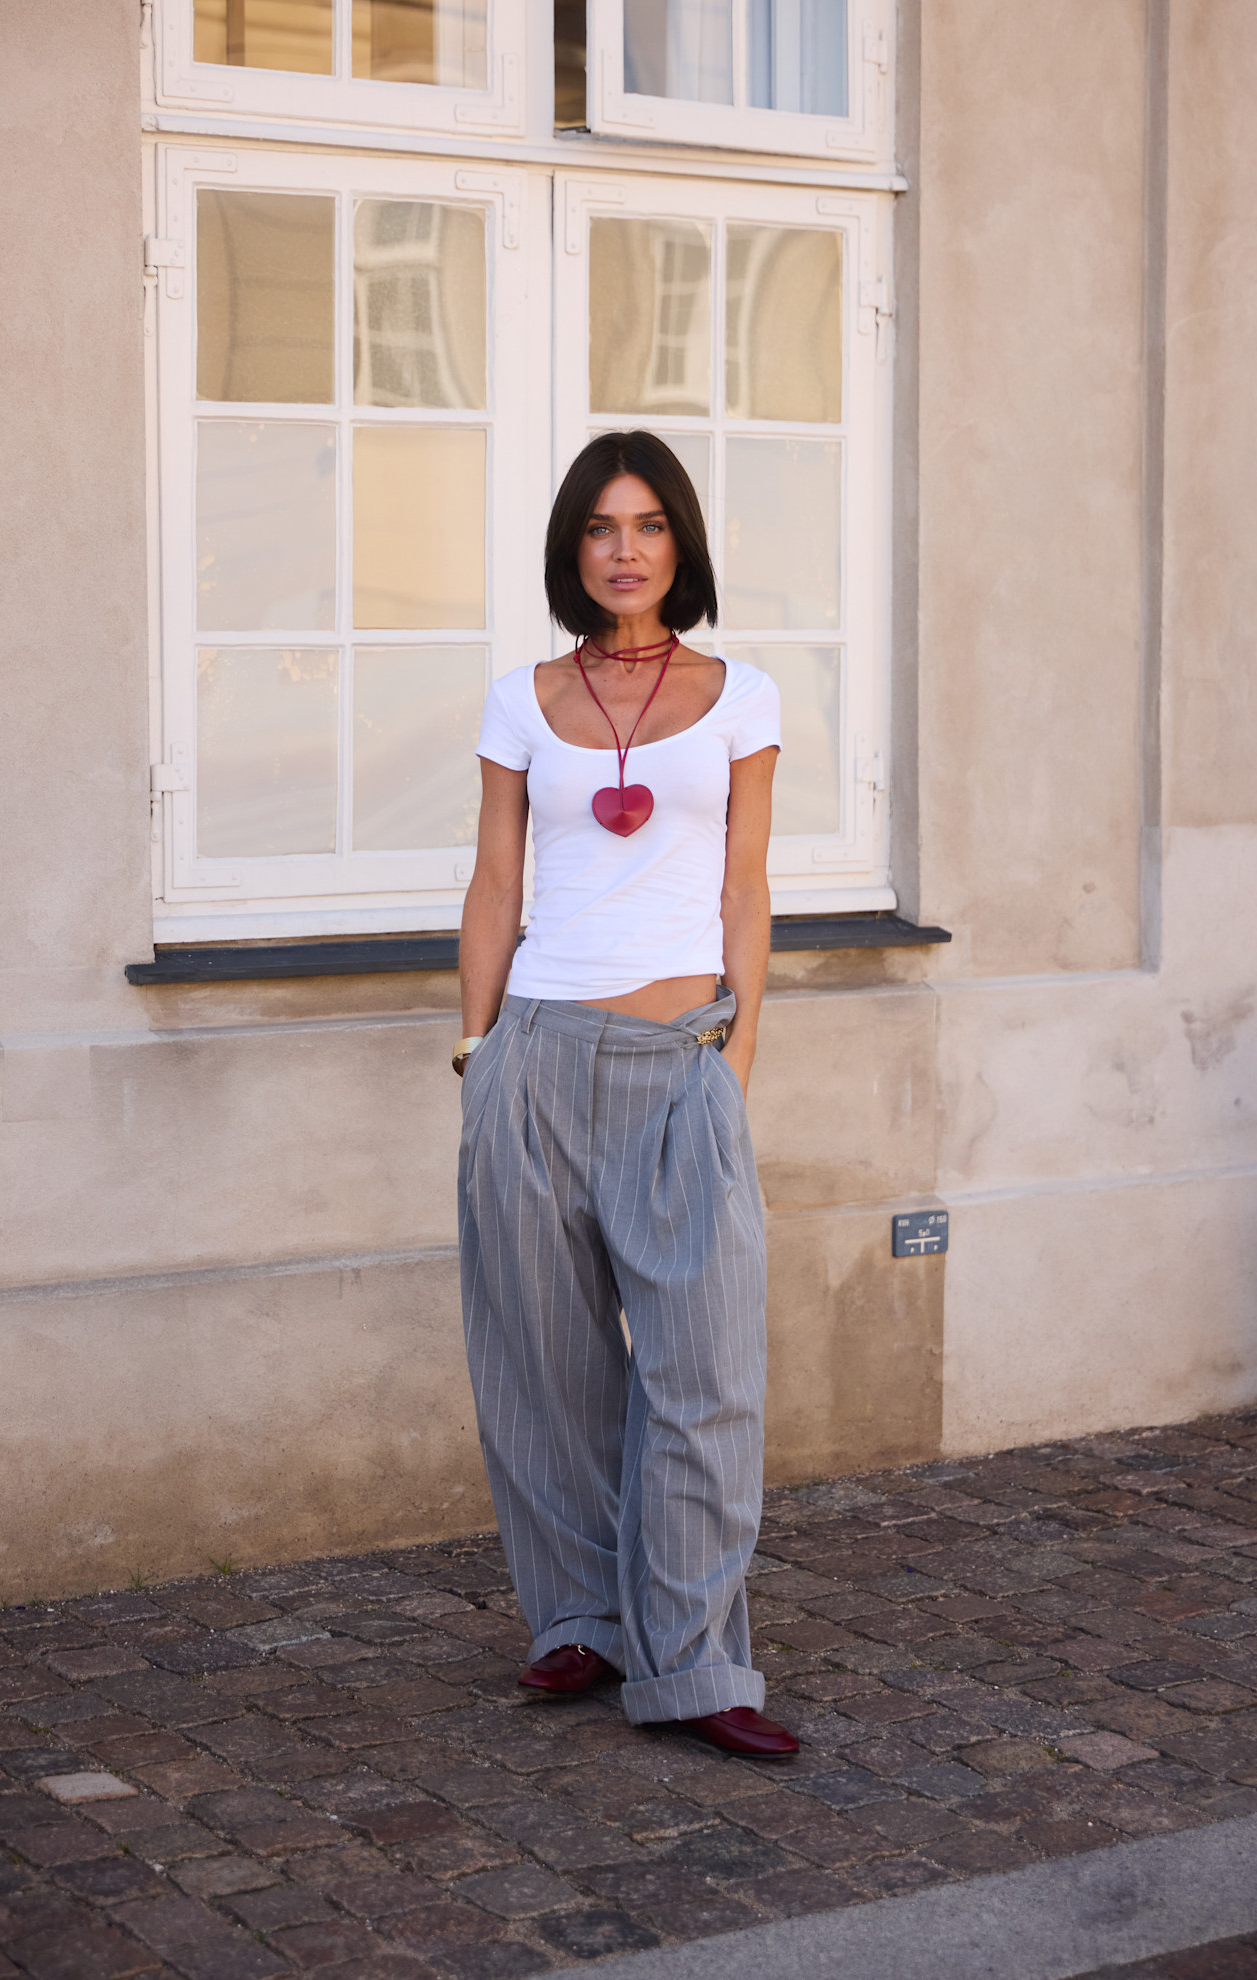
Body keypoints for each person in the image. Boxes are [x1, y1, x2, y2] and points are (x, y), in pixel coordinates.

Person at [453, 430, 797, 1759]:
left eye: (648, 524)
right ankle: (581, 1620)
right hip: (534, 1056)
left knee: (705, 1378)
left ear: (681, 542)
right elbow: (496, 885)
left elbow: (745, 890)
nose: (624, 550)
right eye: (600, 527)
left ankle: (696, 1665)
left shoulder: (742, 697)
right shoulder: (522, 699)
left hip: (679, 1064)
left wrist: (735, 1066)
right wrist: (476, 1057)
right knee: (545, 1370)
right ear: (573, 548)